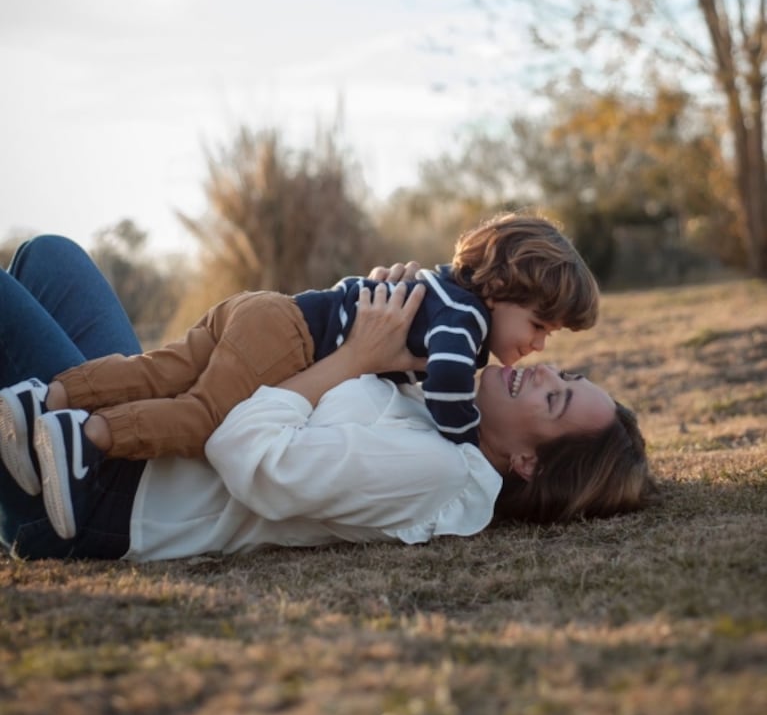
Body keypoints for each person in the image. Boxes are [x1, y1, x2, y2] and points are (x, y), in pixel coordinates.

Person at [0, 234, 656, 562]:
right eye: (565, 376)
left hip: (107, 496)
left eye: (556, 402)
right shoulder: (446, 402)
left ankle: (49, 443)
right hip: (139, 439)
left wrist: (356, 357)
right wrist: (383, 311)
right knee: (50, 256)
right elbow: (322, 360)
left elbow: (239, 445)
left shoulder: (435, 473)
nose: (545, 373)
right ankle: (49, 409)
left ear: (526, 463)